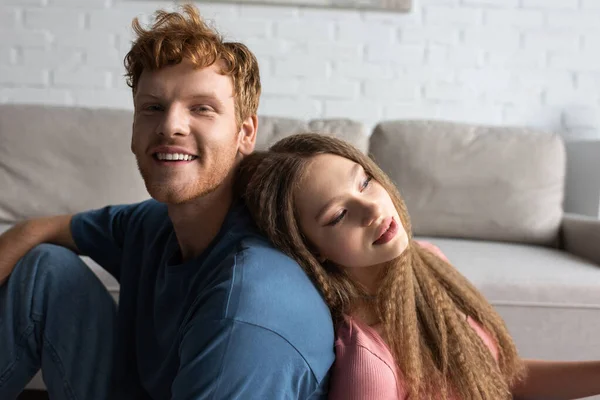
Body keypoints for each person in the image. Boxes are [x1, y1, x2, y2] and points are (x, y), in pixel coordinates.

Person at [0, 6, 334, 400]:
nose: (169, 125)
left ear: (245, 133)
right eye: (153, 107)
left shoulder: (248, 309)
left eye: (201, 108)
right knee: (47, 269)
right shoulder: (155, 224)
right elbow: (38, 228)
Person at [237, 133, 600, 400]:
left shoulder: (427, 259)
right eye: (340, 214)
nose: (373, 209)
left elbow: (500, 378)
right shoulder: (369, 361)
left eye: (364, 182)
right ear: (313, 252)